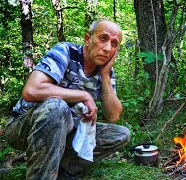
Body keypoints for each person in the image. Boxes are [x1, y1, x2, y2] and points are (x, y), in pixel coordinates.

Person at [4, 19, 131, 180]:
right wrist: (83, 95)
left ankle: (64, 171)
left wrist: (105, 75)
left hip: (67, 129)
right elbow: (31, 90)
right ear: (87, 39)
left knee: (120, 134)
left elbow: (113, 115)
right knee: (57, 107)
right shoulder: (66, 51)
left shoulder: (106, 71)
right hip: (23, 126)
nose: (107, 48)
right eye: (103, 38)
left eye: (114, 44)